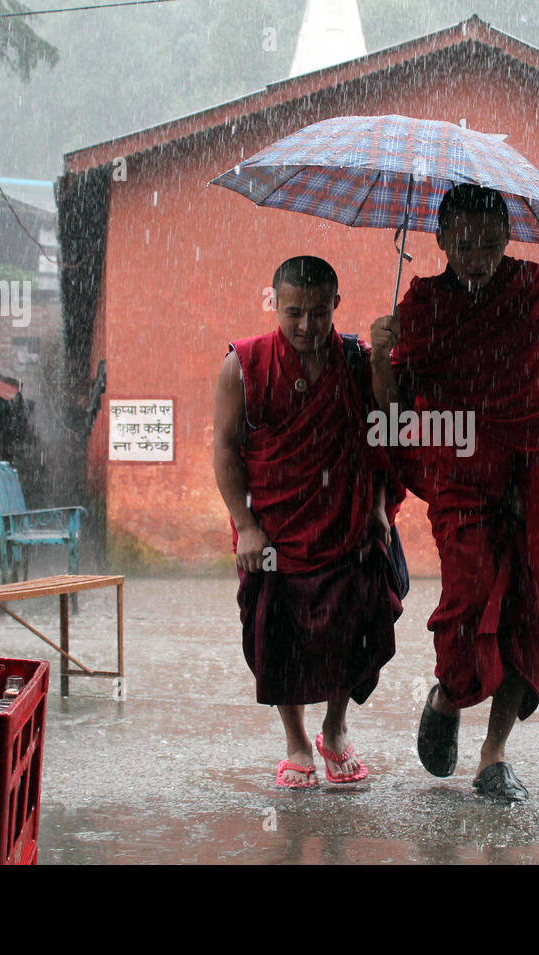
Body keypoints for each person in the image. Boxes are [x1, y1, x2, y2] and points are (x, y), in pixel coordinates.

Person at [369, 184, 539, 802]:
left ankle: (493, 756)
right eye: (464, 243)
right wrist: (381, 357)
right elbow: (394, 418)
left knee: (529, 610)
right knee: (468, 598)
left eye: (492, 243)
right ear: (440, 240)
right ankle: (448, 696)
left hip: (534, 479)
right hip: (461, 478)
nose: (478, 256)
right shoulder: (422, 306)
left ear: (510, 239)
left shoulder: (538, 294)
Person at [212, 255, 402, 789]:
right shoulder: (244, 365)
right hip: (275, 531)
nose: (306, 325)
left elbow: (389, 427)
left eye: (318, 312)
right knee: (280, 639)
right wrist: (245, 525)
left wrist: (384, 359)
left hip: (347, 524)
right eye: (294, 311)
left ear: (335, 306)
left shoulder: (356, 359)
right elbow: (226, 449)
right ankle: (296, 741)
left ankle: (335, 729)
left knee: (352, 634)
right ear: (275, 304)